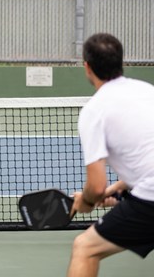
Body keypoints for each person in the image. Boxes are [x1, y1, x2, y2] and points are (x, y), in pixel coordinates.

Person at [67, 33, 154, 276]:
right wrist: (112, 191)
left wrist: (86, 202)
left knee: (85, 247)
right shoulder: (147, 91)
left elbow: (95, 186)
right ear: (120, 62)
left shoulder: (94, 111)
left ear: (87, 66)